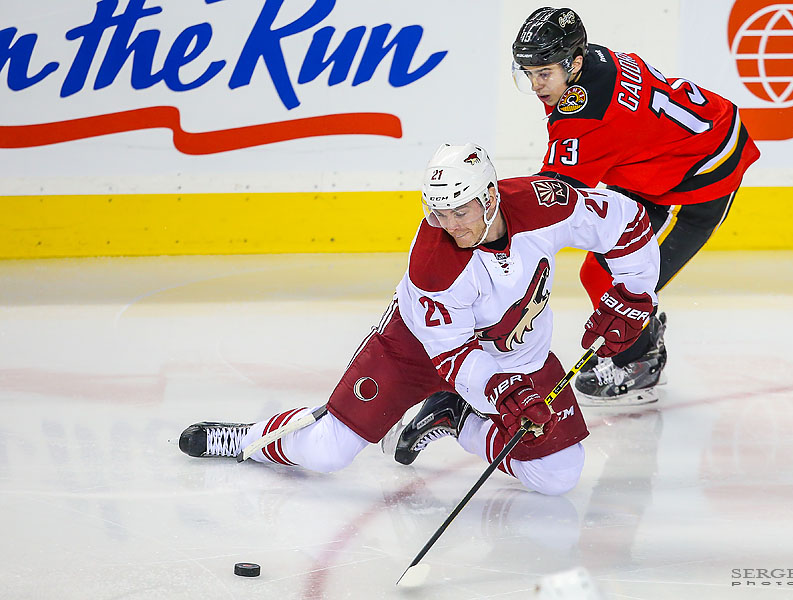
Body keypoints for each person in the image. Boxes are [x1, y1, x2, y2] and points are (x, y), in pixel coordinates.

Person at [179, 143, 660, 496]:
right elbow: (452, 358)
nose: (451, 225)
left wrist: (635, 295)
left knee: (558, 474)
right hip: (415, 349)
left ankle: (456, 419)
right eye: (439, 212)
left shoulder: (543, 203)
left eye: (462, 210)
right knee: (329, 450)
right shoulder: (434, 263)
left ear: (491, 195)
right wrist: (502, 392)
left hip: (516, 349)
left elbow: (629, 222)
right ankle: (249, 440)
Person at [511, 7, 761, 405]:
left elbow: (554, 199)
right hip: (658, 162)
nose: (537, 85)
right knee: (602, 274)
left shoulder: (586, 114)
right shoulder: (594, 60)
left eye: (545, 74)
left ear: (574, 62)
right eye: (528, 74)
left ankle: (642, 360)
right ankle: (639, 339)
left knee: (610, 280)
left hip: (698, 176)